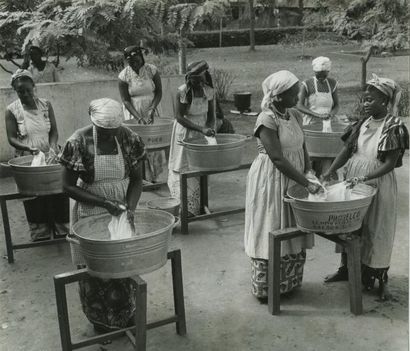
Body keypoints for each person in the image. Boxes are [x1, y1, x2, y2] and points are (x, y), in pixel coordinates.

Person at [60, 98, 146, 331]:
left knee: (122, 262)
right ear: (94, 124)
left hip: (121, 206)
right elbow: (67, 186)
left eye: (113, 131)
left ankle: (125, 313)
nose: (109, 136)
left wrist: (130, 209)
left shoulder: (130, 139)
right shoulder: (78, 141)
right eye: (104, 132)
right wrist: (103, 202)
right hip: (89, 206)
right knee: (95, 268)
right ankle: (100, 320)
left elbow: (137, 180)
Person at [322, 74, 408, 301]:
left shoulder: (394, 126)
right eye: (365, 99)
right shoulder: (362, 123)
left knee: (376, 227)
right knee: (351, 226)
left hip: (378, 180)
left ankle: (379, 278)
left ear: (385, 101)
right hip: (354, 177)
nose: (366, 103)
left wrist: (365, 178)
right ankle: (347, 269)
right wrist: (332, 169)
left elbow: (389, 164)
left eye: (371, 99)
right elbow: (347, 150)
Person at [244, 70, 321, 301]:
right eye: (293, 92)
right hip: (272, 178)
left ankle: (289, 282)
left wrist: (308, 170)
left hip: (295, 174)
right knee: (273, 221)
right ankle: (267, 287)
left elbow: (302, 146)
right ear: (277, 96)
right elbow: (277, 158)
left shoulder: (294, 115)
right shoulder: (266, 119)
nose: (298, 95)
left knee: (293, 223)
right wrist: (305, 183)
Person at [5, 69, 69, 241]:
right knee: (33, 194)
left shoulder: (45, 105)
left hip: (48, 155)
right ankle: (40, 231)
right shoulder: (12, 110)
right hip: (27, 157)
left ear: (34, 87)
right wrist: (28, 148)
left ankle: (61, 227)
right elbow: (11, 138)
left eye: (28, 90)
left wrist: (53, 145)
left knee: (56, 188)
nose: (25, 94)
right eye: (20, 91)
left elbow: (54, 131)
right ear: (15, 91)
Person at [167, 60, 216, 216]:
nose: (195, 82)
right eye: (192, 79)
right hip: (186, 131)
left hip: (202, 130)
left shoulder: (209, 91)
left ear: (204, 77)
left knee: (200, 167)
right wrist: (200, 129)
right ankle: (183, 207)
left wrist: (209, 129)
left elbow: (211, 115)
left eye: (198, 79)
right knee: (184, 166)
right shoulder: (182, 91)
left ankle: (200, 205)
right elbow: (179, 117)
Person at [118, 45, 164, 183]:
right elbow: (125, 100)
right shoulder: (123, 76)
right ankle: (140, 178)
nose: (134, 64)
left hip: (153, 108)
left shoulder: (152, 70)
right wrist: (137, 117)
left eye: (136, 60)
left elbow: (159, 92)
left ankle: (155, 177)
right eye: (130, 62)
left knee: (155, 141)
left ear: (141, 58)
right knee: (137, 143)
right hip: (134, 111)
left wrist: (151, 109)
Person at [297, 56, 340, 176]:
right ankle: (310, 176)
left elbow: (336, 105)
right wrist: (316, 114)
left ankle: (327, 176)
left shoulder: (332, 83)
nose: (321, 76)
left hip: (328, 123)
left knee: (328, 153)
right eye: (318, 74)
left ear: (328, 71)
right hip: (311, 122)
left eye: (324, 74)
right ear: (314, 72)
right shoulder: (307, 84)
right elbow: (299, 105)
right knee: (313, 153)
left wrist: (331, 114)